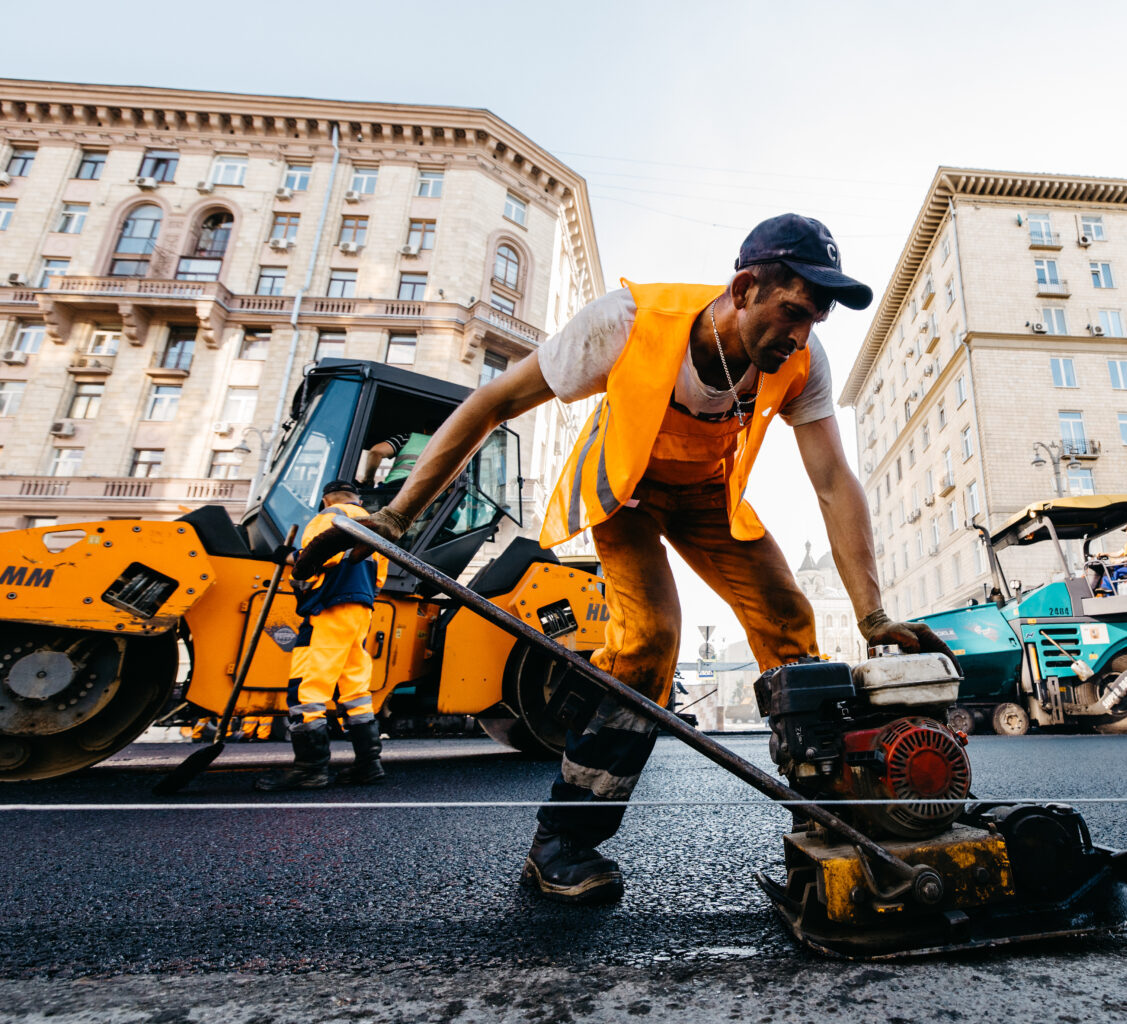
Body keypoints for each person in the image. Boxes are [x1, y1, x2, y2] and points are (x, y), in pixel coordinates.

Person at [294, 213, 955, 902]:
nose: (801, 335)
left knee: (792, 623)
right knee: (650, 640)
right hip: (626, 489)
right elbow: (493, 402)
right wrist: (398, 515)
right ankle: (562, 843)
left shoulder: (799, 362)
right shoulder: (627, 323)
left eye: (814, 320)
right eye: (793, 311)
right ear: (743, 289)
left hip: (706, 497)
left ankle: (830, 816)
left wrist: (873, 613)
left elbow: (831, 479)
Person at [256, 480, 390, 791]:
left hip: (328, 610)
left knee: (308, 688)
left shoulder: (329, 517)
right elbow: (379, 579)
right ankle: (368, 765)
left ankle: (310, 769)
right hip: (360, 614)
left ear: (325, 498)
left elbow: (317, 557)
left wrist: (288, 557)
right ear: (358, 498)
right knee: (355, 689)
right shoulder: (375, 528)